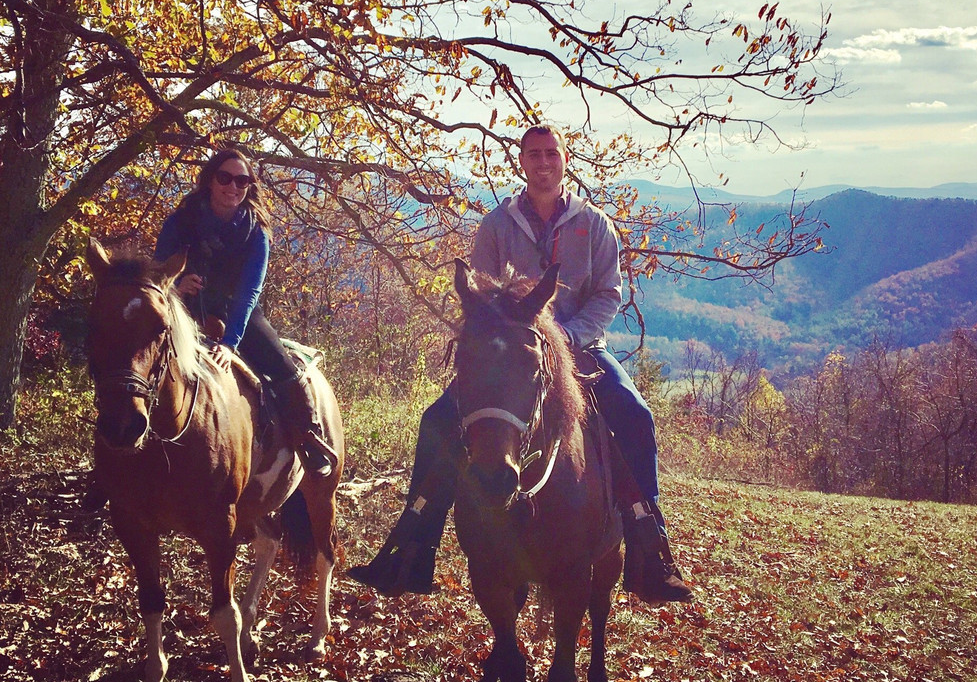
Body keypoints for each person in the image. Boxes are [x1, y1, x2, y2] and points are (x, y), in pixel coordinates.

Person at [347, 125, 691, 603]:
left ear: (565, 160)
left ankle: (649, 545)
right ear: (522, 161)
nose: (543, 162)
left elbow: (609, 294)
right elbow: (482, 295)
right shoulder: (496, 225)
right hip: (508, 354)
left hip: (581, 347)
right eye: (534, 154)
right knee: (438, 420)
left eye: (552, 153)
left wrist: (568, 338)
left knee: (634, 414)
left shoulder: (593, 225)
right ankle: (412, 545)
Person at [154, 148, 333, 477]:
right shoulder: (182, 220)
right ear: (210, 180)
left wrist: (230, 342)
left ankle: (308, 437)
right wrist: (176, 285)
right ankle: (113, 460)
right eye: (225, 178)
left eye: (242, 180)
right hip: (183, 307)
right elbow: (158, 269)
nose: (232, 186)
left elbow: (250, 290)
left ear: (249, 186)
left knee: (281, 366)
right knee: (139, 358)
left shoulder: (256, 231)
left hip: (240, 312)